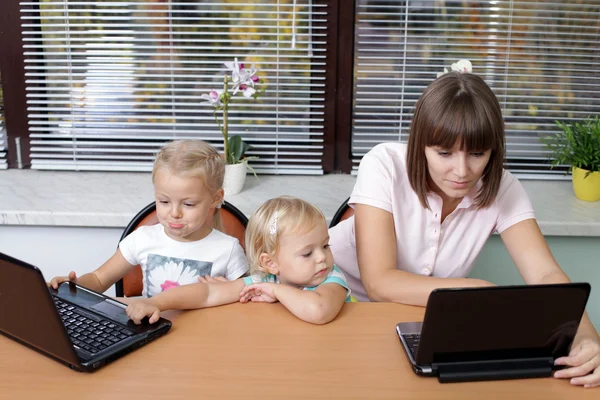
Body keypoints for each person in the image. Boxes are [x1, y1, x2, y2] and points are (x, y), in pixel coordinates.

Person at [328, 61, 600, 388]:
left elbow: (545, 274)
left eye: (477, 153)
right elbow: (378, 282)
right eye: (444, 153)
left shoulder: (503, 188)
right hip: (337, 305)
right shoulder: (383, 164)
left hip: (416, 320)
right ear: (420, 146)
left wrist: (586, 338)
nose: (462, 171)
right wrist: (479, 291)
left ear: (493, 151)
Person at [49, 140, 248, 298]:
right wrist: (73, 288)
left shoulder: (228, 250)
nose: (174, 213)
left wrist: (233, 291)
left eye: (188, 204)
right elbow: (99, 279)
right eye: (163, 201)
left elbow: (251, 300)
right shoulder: (142, 239)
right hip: (152, 335)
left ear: (216, 198)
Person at [125, 196, 352, 325]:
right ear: (271, 263)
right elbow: (207, 293)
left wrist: (275, 290)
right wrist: (157, 303)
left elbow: (319, 311)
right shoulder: (264, 278)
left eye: (325, 245)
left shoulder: (331, 279)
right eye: (307, 253)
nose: (322, 257)